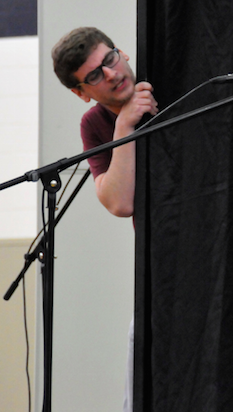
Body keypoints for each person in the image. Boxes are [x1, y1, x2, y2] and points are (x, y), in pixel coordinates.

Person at [52, 27, 158, 412]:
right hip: (161, 267)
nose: (111, 74)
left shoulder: (167, 71)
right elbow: (118, 202)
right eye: (95, 75)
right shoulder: (95, 125)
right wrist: (124, 126)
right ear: (81, 93)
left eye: (109, 59)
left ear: (123, 53)